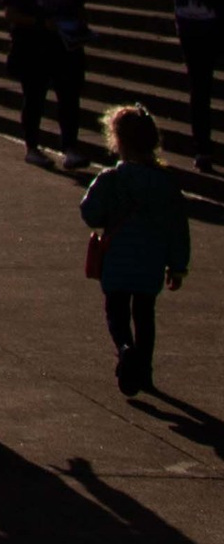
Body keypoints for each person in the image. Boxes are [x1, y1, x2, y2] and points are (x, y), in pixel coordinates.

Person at [80, 102, 190, 397]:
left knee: (116, 311)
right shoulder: (167, 183)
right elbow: (178, 228)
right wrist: (177, 266)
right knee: (145, 314)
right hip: (150, 261)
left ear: (117, 141)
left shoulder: (110, 179)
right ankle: (145, 370)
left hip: (117, 259)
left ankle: (125, 350)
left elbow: (89, 212)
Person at [3, 0, 90, 169]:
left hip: (64, 46)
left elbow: (80, 5)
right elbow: (11, 13)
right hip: (34, 48)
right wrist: (41, 23)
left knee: (69, 98)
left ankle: (70, 146)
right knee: (34, 98)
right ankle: (32, 146)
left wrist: (80, 27)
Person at [164, 0, 220, 171]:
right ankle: (203, 147)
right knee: (203, 84)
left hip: (187, 20)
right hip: (211, 19)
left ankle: (203, 148)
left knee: (199, 87)